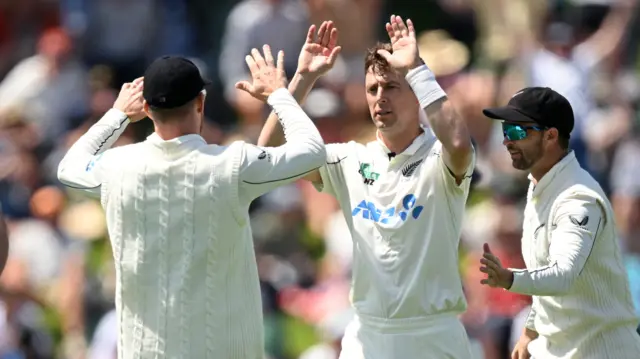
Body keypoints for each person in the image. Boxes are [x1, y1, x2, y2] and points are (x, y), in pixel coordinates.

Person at [57, 47, 327, 358]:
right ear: (201, 102)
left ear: (145, 108)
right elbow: (312, 151)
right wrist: (279, 94)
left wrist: (117, 115)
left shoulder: (116, 167)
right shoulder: (232, 163)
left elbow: (68, 167)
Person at [259, 17, 476, 358]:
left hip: (432, 336)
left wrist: (417, 69)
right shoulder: (348, 160)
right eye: (373, 89)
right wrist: (302, 79)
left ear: (416, 92)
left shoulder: (439, 158)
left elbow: (461, 144)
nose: (380, 98)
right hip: (367, 336)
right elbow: (267, 155)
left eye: (391, 87)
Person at [479, 86, 640, 359]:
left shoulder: (578, 198)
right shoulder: (539, 188)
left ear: (550, 136)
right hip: (560, 349)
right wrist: (530, 331)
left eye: (518, 132)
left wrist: (509, 278)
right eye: (506, 131)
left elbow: (562, 274)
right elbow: (548, 280)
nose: (507, 141)